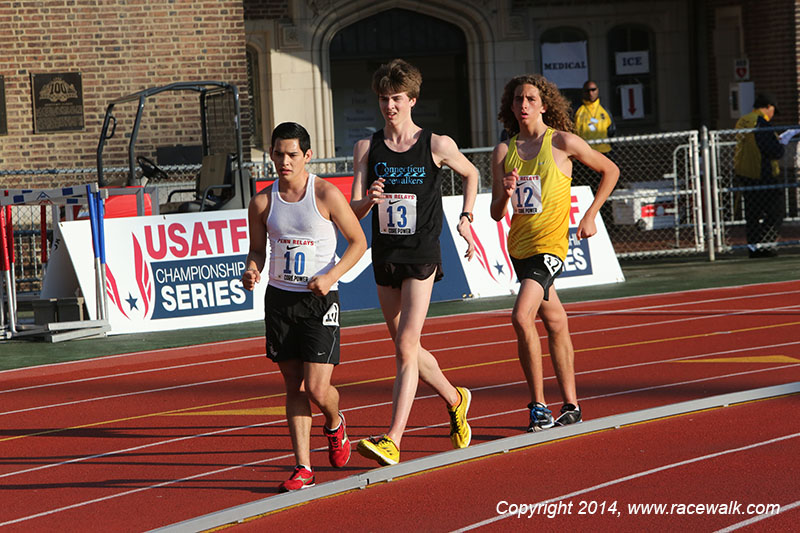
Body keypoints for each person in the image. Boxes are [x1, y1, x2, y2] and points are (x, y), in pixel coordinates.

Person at [349, 58, 478, 466]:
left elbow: (472, 174)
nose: (389, 106)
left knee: (406, 345)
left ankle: (393, 438)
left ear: (413, 100)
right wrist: (368, 199)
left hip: (422, 252)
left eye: (397, 99)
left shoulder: (435, 144)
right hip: (385, 253)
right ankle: (457, 399)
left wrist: (466, 216)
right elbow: (353, 210)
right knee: (407, 346)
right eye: (384, 99)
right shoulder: (367, 148)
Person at [242, 122, 367, 492]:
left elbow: (358, 242)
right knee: (293, 385)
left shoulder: (326, 194)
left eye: (292, 154)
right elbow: (256, 250)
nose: (284, 161)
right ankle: (302, 466)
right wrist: (252, 269)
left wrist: (330, 277)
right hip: (281, 301)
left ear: (307, 156)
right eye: (278, 154)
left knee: (316, 387)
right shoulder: (263, 202)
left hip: (319, 300)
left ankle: (334, 422)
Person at [490, 74, 619, 432]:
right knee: (556, 321)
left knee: (521, 317)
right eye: (518, 100)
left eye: (531, 99)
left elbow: (610, 169)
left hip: (550, 247)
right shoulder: (504, 151)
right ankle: (573, 405)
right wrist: (505, 190)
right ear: (511, 107)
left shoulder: (562, 142)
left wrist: (591, 214)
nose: (524, 105)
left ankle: (538, 406)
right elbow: (496, 212)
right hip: (519, 247)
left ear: (544, 104)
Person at [733, 93, 785, 258]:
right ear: (769, 106)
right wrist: (780, 144)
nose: (772, 116)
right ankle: (765, 244)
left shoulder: (743, 120)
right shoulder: (761, 123)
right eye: (773, 111)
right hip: (763, 173)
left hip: (745, 173)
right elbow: (773, 150)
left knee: (753, 215)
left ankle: (754, 248)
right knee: (776, 211)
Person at [574, 80, 615, 156]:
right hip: (584, 152)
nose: (591, 93)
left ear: (597, 90)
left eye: (593, 90)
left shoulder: (605, 111)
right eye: (587, 91)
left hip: (604, 151)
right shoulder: (577, 111)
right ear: (583, 92)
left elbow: (611, 131)